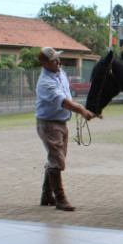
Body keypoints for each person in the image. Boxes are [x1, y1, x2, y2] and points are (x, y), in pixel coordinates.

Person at [36, 46, 95, 211]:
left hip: (61, 122)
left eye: (57, 58)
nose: (58, 61)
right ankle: (60, 199)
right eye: (54, 59)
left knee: (58, 158)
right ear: (44, 63)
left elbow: (67, 97)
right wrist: (81, 110)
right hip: (49, 124)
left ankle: (47, 195)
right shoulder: (45, 82)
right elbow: (63, 101)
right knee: (57, 161)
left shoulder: (60, 74)